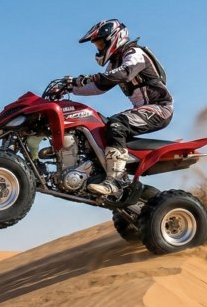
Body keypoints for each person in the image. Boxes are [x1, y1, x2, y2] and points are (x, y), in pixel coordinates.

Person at [70, 19, 173, 197]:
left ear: (114, 38)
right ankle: (102, 172)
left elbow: (125, 72)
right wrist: (70, 88)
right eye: (97, 45)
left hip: (159, 108)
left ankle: (115, 181)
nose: (99, 49)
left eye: (101, 43)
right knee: (100, 126)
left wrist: (90, 77)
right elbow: (98, 87)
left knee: (116, 125)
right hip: (143, 110)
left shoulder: (135, 52)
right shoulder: (115, 63)